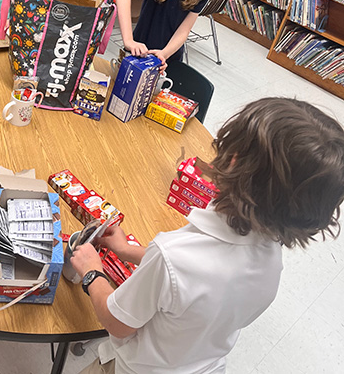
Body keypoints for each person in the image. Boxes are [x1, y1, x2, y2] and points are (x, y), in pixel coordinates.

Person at [71, 97, 344, 374]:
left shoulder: (173, 255)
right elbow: (188, 283)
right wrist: (128, 251)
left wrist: (92, 272)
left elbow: (117, 322)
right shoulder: (272, 263)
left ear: (233, 160)